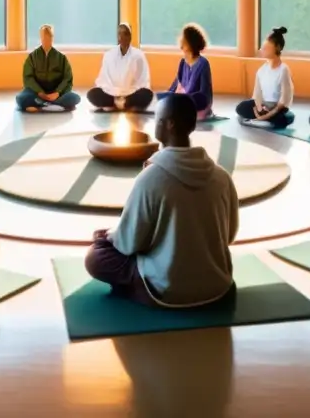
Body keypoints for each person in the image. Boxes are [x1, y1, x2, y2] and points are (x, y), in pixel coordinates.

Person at [85, 94, 239, 307]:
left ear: (169, 124)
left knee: (98, 255)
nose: (153, 125)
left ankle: (142, 289)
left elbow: (130, 243)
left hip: (168, 288)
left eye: (157, 119)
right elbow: (228, 236)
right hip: (217, 285)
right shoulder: (222, 177)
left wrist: (111, 235)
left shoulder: (151, 178)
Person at [236, 26, 294, 129]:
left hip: (277, 107)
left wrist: (268, 114)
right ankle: (264, 122)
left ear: (278, 47)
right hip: (263, 106)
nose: (262, 50)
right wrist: (259, 108)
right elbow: (257, 95)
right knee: (241, 107)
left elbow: (284, 99)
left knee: (285, 118)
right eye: (262, 47)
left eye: (266, 48)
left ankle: (260, 121)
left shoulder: (283, 69)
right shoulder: (261, 70)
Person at [87, 23, 153, 112]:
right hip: (111, 93)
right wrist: (114, 92)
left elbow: (143, 80)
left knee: (146, 95)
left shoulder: (138, 55)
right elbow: (103, 78)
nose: (122, 37)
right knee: (93, 94)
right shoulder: (109, 54)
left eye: (125, 34)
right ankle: (116, 102)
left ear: (130, 36)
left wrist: (129, 92)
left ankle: (126, 102)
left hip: (131, 93)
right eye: (119, 34)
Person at [16, 24, 81, 112]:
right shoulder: (32, 57)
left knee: (74, 98)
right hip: (37, 94)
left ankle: (41, 105)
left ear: (52, 37)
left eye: (49, 37)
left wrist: (57, 93)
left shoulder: (61, 57)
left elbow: (67, 78)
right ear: (40, 38)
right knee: (21, 98)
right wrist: (40, 92)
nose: (46, 39)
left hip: (57, 94)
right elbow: (28, 78)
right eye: (44, 37)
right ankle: (54, 105)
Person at [156, 23, 214, 120]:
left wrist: (186, 99)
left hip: (196, 103)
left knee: (186, 100)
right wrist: (166, 97)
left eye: (183, 38)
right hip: (183, 102)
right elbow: (174, 87)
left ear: (190, 42)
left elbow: (205, 95)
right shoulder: (183, 63)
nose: (180, 40)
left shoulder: (203, 63)